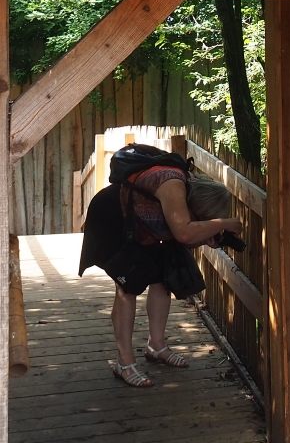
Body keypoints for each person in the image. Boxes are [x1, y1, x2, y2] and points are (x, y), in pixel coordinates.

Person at [78, 162, 242, 387]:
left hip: (142, 225)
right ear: (198, 204)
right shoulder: (173, 185)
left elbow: (182, 235)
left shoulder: (186, 198)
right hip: (113, 218)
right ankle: (124, 363)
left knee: (160, 279)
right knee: (127, 287)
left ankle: (156, 346)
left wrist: (206, 235)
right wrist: (222, 223)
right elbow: (183, 233)